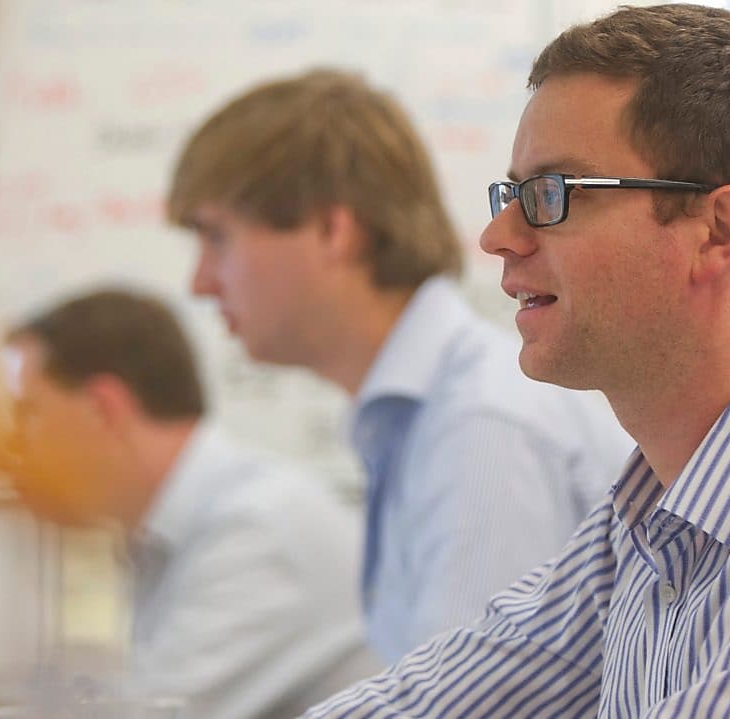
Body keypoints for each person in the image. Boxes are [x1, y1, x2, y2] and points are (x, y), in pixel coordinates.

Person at [308, 4, 730, 716]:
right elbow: (433, 700)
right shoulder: (644, 520)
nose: (497, 236)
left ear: (716, 230)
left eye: (553, 195)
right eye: (512, 194)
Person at [167, 69, 631, 662]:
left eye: (217, 239)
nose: (200, 283)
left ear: (332, 230)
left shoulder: (481, 425)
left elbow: (466, 699)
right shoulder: (428, 414)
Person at [1, 288, 378, 719]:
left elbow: (151, 715)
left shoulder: (256, 530)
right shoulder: (174, 530)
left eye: (29, 412)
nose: (16, 442)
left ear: (103, 408)